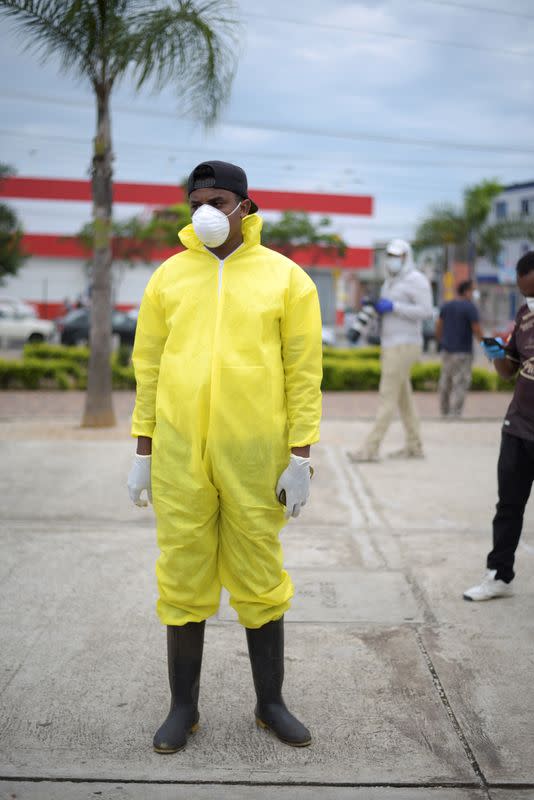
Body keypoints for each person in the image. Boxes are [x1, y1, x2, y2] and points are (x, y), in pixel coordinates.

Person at [127, 161, 322, 752]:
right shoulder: (168, 277)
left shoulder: (286, 279)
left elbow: (303, 374)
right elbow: (149, 368)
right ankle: (183, 709)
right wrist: (144, 450)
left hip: (255, 457)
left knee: (260, 578)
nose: (204, 211)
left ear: (245, 205)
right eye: (195, 202)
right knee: (183, 575)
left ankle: (271, 704)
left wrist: (301, 456)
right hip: (181, 455)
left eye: (216, 200)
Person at [464, 251, 534, 601]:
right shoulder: (524, 316)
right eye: (526, 295)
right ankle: (499, 575)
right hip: (518, 426)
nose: (530, 301)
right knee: (508, 505)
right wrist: (496, 354)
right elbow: (510, 371)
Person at [348, 238, 433, 462]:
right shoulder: (390, 282)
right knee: (404, 399)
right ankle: (414, 446)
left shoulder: (417, 280)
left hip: (404, 345)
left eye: (397, 256)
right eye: (390, 256)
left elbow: (426, 311)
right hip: (390, 344)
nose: (392, 260)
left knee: (387, 397)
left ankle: (370, 449)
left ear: (407, 257)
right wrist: (375, 306)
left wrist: (395, 306)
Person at [436, 280, 482, 418]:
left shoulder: (447, 305)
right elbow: (477, 329)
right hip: (463, 352)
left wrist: (441, 341)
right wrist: (486, 344)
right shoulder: (470, 307)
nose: (473, 294)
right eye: (472, 290)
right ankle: (455, 414)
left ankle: (444, 412)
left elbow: (438, 325)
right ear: (467, 291)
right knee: (460, 383)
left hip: (447, 351)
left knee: (445, 381)